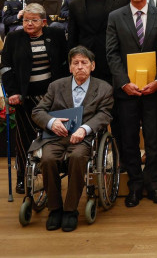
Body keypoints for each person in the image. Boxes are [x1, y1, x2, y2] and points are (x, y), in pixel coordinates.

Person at [30, 46, 113, 232]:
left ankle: (70, 210)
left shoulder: (103, 88)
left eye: (84, 62)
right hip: (55, 137)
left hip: (83, 139)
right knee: (47, 159)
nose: (80, 66)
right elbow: (38, 111)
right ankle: (55, 209)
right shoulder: (56, 86)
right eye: (75, 63)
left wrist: (84, 129)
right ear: (70, 67)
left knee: (77, 158)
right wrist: (51, 122)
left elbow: (104, 115)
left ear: (93, 66)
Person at [106, 0, 157, 207]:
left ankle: (153, 184)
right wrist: (124, 82)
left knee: (153, 140)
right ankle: (134, 185)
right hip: (127, 91)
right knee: (129, 139)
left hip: (154, 89)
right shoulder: (115, 16)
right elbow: (112, 53)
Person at [2, 3, 68, 194]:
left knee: (53, 136)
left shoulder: (56, 35)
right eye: (26, 20)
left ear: (44, 22)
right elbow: (6, 67)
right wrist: (13, 92)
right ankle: (22, 177)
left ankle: (52, 174)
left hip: (52, 96)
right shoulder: (14, 38)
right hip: (25, 97)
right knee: (25, 139)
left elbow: (65, 63)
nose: (29, 24)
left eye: (34, 20)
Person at [68, 0, 130, 84]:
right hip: (86, 63)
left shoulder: (122, 1)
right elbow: (72, 36)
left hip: (113, 62)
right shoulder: (75, 4)